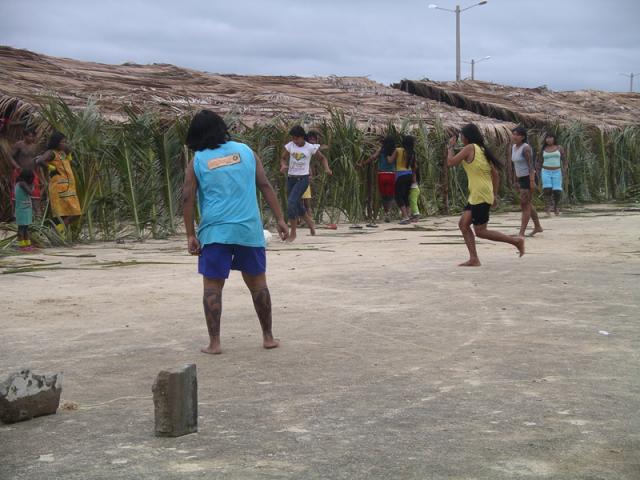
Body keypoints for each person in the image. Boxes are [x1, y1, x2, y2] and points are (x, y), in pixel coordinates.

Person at [183, 110, 289, 355]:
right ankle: (268, 337)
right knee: (258, 284)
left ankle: (215, 343)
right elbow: (264, 184)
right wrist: (281, 219)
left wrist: (190, 234)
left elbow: (187, 197)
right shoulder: (246, 152)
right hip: (248, 229)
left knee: (212, 286)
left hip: (214, 231)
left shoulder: (198, 160)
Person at [447, 123, 525, 267]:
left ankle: (516, 241)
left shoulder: (470, 148)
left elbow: (450, 162)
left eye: (462, 136)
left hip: (480, 195)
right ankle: (474, 258)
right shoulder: (482, 150)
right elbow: (495, 175)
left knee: (481, 231)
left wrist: (450, 147)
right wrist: (494, 195)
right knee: (463, 224)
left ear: (466, 137)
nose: (461, 139)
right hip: (479, 194)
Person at [280, 125, 332, 242]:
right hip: (291, 179)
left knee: (291, 202)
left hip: (303, 179)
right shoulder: (290, 146)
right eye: (293, 138)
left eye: (296, 138)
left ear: (302, 137)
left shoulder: (310, 147)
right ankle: (310, 222)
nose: (294, 141)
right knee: (296, 204)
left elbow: (322, 158)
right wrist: (283, 165)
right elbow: (283, 157)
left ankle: (293, 233)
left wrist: (327, 169)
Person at [36, 132, 81, 236]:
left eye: (66, 142)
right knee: (71, 213)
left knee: (71, 213)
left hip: (69, 187)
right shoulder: (51, 153)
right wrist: (51, 168)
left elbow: (72, 164)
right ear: (56, 142)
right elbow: (40, 161)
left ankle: (59, 234)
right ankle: (56, 233)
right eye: (63, 142)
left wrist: (69, 153)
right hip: (59, 187)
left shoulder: (62, 153)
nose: (65, 144)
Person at [510, 126, 543, 237]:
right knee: (527, 203)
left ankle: (521, 232)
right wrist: (515, 180)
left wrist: (532, 181)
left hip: (528, 177)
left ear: (522, 137)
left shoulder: (526, 148)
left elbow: (530, 166)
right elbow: (516, 165)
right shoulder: (514, 147)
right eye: (513, 134)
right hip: (521, 178)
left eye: (517, 134)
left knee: (524, 204)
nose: (514, 136)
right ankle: (538, 226)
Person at [360, 135, 397, 223]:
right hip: (391, 174)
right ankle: (389, 213)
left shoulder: (381, 150)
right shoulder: (395, 151)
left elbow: (372, 157)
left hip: (381, 174)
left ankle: (386, 212)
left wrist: (363, 163)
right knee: (391, 195)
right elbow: (390, 161)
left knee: (384, 195)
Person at [10, 128, 42, 215]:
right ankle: (15, 216)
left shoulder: (35, 146)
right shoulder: (19, 145)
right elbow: (11, 157)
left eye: (33, 136)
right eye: (30, 136)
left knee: (35, 194)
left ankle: (36, 216)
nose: (32, 138)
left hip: (32, 173)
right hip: (19, 172)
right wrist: (17, 167)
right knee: (16, 194)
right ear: (24, 136)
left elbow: (37, 159)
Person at [388, 139, 413, 224]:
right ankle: (408, 215)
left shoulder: (398, 150)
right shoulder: (412, 152)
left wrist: (387, 155)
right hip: (409, 174)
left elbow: (390, 160)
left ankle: (405, 216)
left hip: (401, 175)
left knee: (398, 196)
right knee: (406, 196)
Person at [540, 133, 565, 215]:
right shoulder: (543, 149)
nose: (548, 139)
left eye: (550, 137)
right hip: (545, 171)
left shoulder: (559, 148)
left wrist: (565, 169)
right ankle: (547, 207)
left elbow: (564, 159)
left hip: (557, 171)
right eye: (547, 138)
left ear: (554, 138)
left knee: (557, 190)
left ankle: (556, 206)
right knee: (547, 189)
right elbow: (539, 161)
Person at [14, 169, 35, 252]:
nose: (32, 180)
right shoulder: (21, 184)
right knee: (21, 228)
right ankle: (22, 245)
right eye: (31, 178)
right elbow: (30, 192)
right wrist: (33, 185)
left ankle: (27, 244)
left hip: (26, 209)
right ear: (27, 178)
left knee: (26, 228)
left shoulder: (23, 183)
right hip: (21, 210)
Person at [403, 135, 421, 222]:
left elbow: (414, 167)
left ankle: (416, 215)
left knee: (412, 199)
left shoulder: (407, 153)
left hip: (408, 176)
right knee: (410, 198)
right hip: (411, 176)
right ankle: (412, 215)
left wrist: (413, 177)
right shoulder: (412, 153)